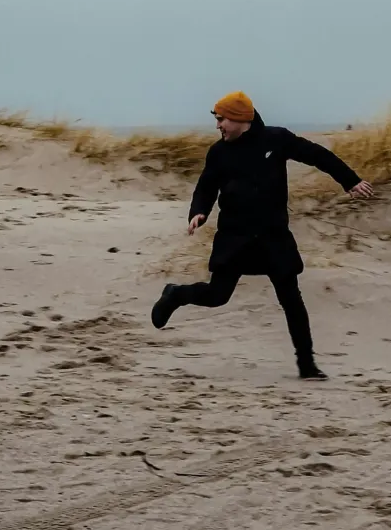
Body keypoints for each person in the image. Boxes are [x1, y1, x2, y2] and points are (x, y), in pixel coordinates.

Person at [151, 91, 374, 380]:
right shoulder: (219, 152)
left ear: (241, 119)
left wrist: (350, 181)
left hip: (273, 236)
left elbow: (318, 156)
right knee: (218, 296)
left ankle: (306, 365)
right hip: (234, 236)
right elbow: (206, 186)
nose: (218, 126)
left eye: (222, 120)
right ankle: (176, 294)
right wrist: (199, 212)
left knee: (291, 298)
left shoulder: (276, 139)